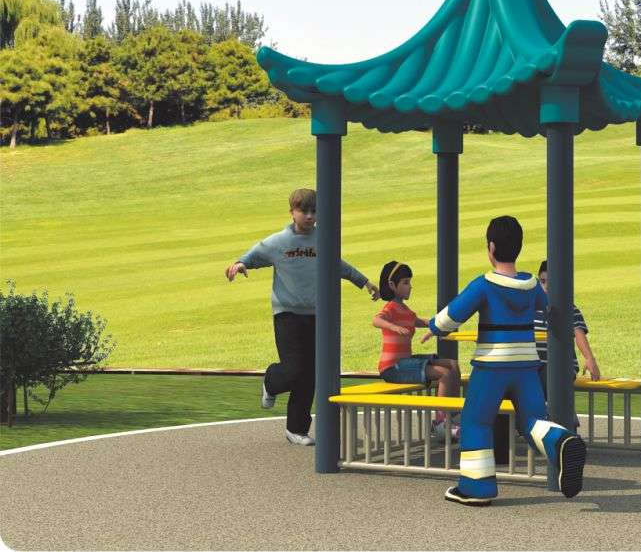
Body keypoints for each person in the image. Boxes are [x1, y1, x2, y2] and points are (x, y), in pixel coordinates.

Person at [421, 216, 587, 507]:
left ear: (491, 247)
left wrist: (433, 327)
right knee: (532, 421)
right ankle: (562, 441)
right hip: (527, 367)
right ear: (519, 247)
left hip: (492, 367)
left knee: (476, 421)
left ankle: (477, 487)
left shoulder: (484, 285)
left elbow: (454, 314)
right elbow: (548, 309)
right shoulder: (532, 285)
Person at [225, 187, 378, 446]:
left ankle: (296, 430)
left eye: (314, 211)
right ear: (292, 212)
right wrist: (240, 264)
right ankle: (271, 381)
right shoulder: (279, 242)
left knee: (310, 375)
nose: (309, 216)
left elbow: (338, 265)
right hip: (287, 315)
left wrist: (364, 282)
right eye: (303, 211)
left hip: (317, 315)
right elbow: (253, 256)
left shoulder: (323, 239)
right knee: (294, 369)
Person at [373, 260, 461, 439]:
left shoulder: (405, 309)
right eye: (405, 283)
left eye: (409, 282)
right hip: (392, 367)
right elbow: (377, 320)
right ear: (392, 285)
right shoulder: (390, 308)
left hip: (406, 362)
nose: (410, 287)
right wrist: (393, 327)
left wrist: (442, 323)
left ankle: (453, 415)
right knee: (444, 374)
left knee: (453, 365)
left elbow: (421, 322)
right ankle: (440, 423)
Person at [535, 259, 601, 389]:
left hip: (561, 368)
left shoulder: (568, 308)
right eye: (542, 281)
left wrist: (589, 358)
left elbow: (579, 333)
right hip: (536, 368)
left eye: (551, 282)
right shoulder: (531, 307)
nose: (546, 286)